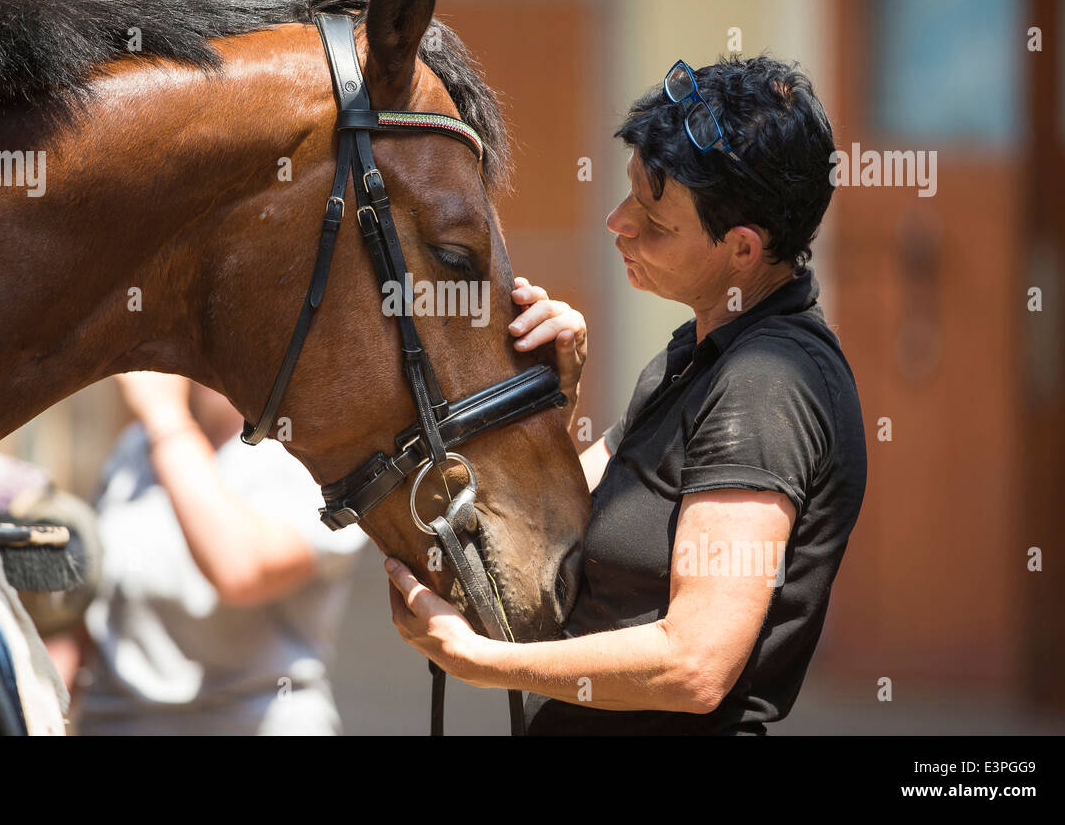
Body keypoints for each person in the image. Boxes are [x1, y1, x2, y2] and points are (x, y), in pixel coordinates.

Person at [384, 55, 868, 735]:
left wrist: (480, 660)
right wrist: (553, 401)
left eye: (654, 218)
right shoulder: (697, 355)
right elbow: (552, 530)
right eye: (628, 193)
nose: (617, 221)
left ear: (743, 250)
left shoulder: (765, 387)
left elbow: (696, 665)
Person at [75, 373, 368, 735]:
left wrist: (166, 418)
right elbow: (84, 608)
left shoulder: (308, 459)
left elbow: (241, 571)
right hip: (116, 720)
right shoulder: (133, 449)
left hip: (255, 720)